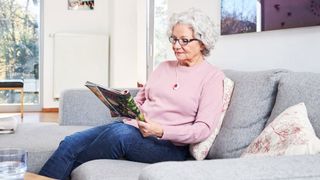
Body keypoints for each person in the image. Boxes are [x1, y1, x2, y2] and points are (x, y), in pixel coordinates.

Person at [39, 8, 224, 180]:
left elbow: (202, 129)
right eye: (173, 39)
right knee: (70, 142)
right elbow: (141, 99)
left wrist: (160, 130)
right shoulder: (163, 67)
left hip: (168, 146)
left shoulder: (212, 77)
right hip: (133, 128)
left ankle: (70, 169)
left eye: (184, 40)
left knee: (118, 134)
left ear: (202, 42)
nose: (176, 46)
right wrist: (122, 106)